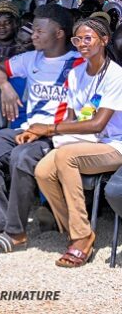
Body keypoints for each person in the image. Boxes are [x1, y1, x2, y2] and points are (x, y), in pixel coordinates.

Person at [0, 4, 82, 254]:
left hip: (56, 134)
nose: (34, 35)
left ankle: (16, 233)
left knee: (22, 157)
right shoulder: (30, 58)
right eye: (34, 30)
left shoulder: (79, 63)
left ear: (59, 33)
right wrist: (6, 87)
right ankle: (1, 226)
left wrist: (49, 130)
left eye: (40, 31)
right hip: (27, 129)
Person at [33, 17, 122, 267]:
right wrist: (55, 133)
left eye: (88, 38)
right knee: (43, 171)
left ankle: (82, 237)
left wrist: (50, 129)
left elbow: (97, 124)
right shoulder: (75, 74)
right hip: (86, 142)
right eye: (77, 39)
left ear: (104, 40)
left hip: (114, 145)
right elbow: (73, 119)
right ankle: (75, 229)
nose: (82, 43)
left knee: (66, 157)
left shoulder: (116, 75)